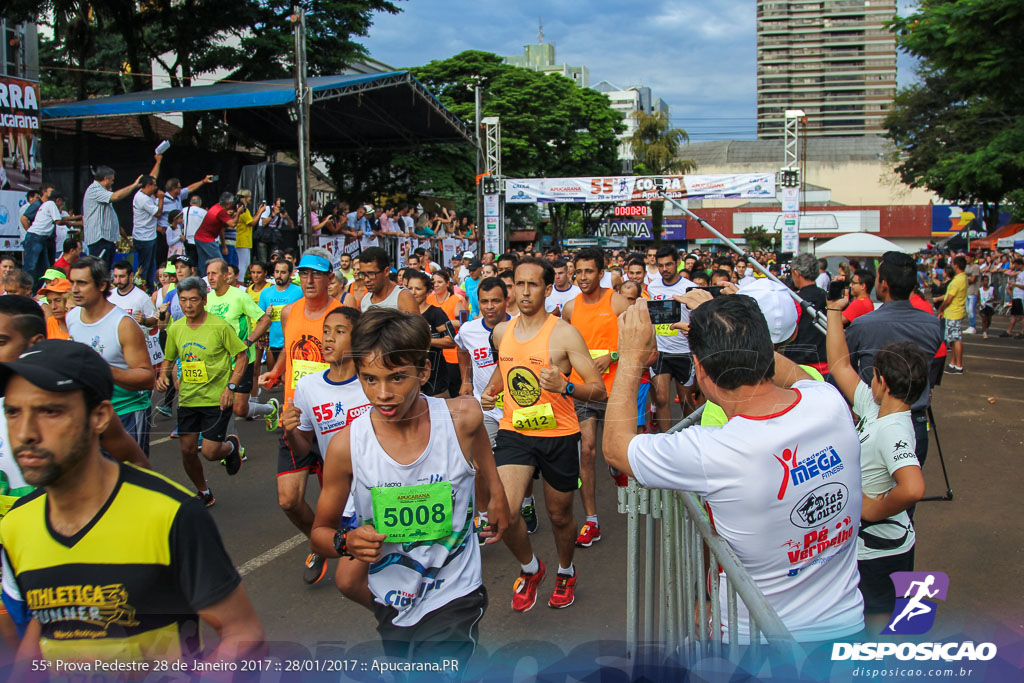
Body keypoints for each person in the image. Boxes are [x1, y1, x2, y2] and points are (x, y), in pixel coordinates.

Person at [604, 295, 865, 643]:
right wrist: (731, 328)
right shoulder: (828, 402)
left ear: (699, 370)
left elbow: (615, 448)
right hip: (847, 626)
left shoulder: (714, 450)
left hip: (756, 644)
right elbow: (796, 375)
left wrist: (631, 356)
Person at [0, 340, 264, 667]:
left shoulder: (170, 514)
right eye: (12, 411)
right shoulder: (15, 525)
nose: (25, 432)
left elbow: (242, 633)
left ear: (99, 417)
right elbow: (49, 622)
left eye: (50, 411)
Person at [309, 309, 508, 669]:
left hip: (455, 591)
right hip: (392, 599)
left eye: (397, 378)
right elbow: (319, 534)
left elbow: (486, 465)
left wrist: (496, 502)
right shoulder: (347, 446)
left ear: (424, 371)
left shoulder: (462, 417)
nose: (383, 394)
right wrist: (345, 542)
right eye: (369, 379)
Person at [481, 257, 606, 611]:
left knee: (560, 516)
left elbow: (598, 391)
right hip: (514, 431)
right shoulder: (502, 332)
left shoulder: (564, 333)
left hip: (559, 434)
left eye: (532, 284)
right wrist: (491, 391)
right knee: (503, 510)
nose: (523, 291)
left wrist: (566, 386)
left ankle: (565, 570)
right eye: (518, 284)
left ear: (548, 289)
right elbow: (504, 369)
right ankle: (531, 568)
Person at [823, 287, 927, 622]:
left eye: (873, 377)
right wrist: (834, 311)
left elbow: (913, 488)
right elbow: (840, 367)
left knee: (876, 625)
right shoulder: (876, 407)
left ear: (881, 381)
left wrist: (872, 510)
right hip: (871, 547)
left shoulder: (893, 428)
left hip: (882, 550)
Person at [258, 248, 343, 585]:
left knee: (340, 497)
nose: (309, 280)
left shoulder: (341, 315)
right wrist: (277, 372)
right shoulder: (289, 311)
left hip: (333, 417)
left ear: (329, 279)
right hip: (295, 416)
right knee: (289, 499)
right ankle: (321, 542)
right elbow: (291, 352)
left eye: (316, 274)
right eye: (304, 273)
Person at [846, 252, 943, 468]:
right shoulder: (932, 325)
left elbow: (846, 367)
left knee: (870, 492)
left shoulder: (862, 325)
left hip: (874, 417)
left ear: (884, 285)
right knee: (905, 494)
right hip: (915, 420)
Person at [559, 248, 628, 547]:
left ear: (602, 273)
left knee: (614, 450)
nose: (583, 277)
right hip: (583, 390)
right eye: (579, 271)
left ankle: (616, 466)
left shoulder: (617, 302)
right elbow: (562, 347)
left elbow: (642, 339)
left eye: (589, 271)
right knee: (586, 452)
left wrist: (612, 356)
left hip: (615, 390)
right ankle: (592, 521)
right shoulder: (570, 308)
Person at [158, 277, 247, 505]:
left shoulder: (219, 326)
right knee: (187, 450)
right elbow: (169, 358)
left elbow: (241, 356)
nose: (188, 305)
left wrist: (231, 386)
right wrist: (163, 375)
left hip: (216, 399)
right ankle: (204, 492)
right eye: (184, 300)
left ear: (204, 300)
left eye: (194, 300)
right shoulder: (176, 328)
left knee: (209, 452)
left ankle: (230, 447)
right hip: (188, 399)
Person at [66, 256, 156, 455]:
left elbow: (147, 378)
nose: (74, 289)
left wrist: (102, 370)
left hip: (126, 412)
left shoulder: (123, 324)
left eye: (81, 283)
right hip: (90, 413)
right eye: (72, 282)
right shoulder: (72, 317)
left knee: (132, 478)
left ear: (101, 285)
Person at [204, 259, 274, 422]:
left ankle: (270, 408)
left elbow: (265, 320)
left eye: (214, 273)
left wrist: (248, 341)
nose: (210, 278)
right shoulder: (207, 300)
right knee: (220, 405)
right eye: (208, 274)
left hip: (242, 360)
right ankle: (230, 444)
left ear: (226, 275)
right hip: (218, 361)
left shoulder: (240, 297)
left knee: (240, 409)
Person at [647, 246, 698, 430]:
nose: (664, 269)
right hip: (661, 350)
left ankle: (691, 435)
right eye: (660, 265)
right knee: (661, 398)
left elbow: (699, 318)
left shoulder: (690, 288)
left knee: (685, 400)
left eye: (668, 264)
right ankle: (665, 439)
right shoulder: (652, 287)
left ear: (677, 263)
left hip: (684, 351)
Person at [82, 158, 160, 269]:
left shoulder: (103, 191)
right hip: (99, 240)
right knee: (99, 271)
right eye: (112, 180)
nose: (113, 183)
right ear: (106, 179)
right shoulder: (94, 190)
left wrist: (115, 236)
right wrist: (134, 185)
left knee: (106, 272)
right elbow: (116, 196)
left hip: (107, 239)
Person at [258, 258, 303, 411]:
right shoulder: (266, 293)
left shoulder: (299, 292)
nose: (279, 275)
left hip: (293, 343)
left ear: (290, 274)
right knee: (279, 380)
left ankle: (290, 412)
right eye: (277, 272)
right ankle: (285, 411)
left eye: (283, 272)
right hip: (274, 342)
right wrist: (266, 314)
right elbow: (260, 319)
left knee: (289, 379)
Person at [405, 270, 456, 397]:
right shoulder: (403, 314)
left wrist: (424, 341)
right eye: (409, 288)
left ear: (428, 291)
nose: (413, 292)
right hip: (410, 372)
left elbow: (451, 341)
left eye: (418, 288)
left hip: (435, 374)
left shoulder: (436, 313)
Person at [108, 261, 163, 368]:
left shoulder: (142, 297)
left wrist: (144, 321)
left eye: (122, 276)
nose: (118, 280)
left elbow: (154, 320)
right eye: (115, 276)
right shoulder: (109, 296)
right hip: (114, 348)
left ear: (131, 276)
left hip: (136, 349)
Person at [22, 192, 78, 290]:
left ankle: (37, 290)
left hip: (41, 238)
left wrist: (75, 218)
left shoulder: (46, 205)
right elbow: (58, 221)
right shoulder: (51, 204)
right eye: (62, 202)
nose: (62, 204)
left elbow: (59, 219)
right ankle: (25, 290)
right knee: (31, 267)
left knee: (43, 268)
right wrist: (74, 222)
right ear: (58, 200)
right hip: (36, 237)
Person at [784, 253, 829, 376]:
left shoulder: (796, 300)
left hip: (801, 366)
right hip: (826, 364)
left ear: (797, 273)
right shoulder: (827, 297)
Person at [429, 270, 468, 398]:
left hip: (453, 352)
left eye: (440, 282)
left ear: (447, 283)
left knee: (454, 391)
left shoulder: (456, 299)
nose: (436, 285)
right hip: (435, 353)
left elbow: (464, 323)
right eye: (434, 282)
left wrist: (446, 322)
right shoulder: (428, 299)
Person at [131, 175, 165, 291]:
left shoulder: (147, 196)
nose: (156, 188)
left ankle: (150, 289)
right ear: (149, 185)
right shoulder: (142, 199)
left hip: (150, 236)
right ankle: (141, 289)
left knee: (151, 265)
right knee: (144, 267)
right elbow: (158, 213)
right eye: (154, 185)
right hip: (143, 238)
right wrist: (161, 198)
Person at [358, 247, 417, 313]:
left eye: (371, 274)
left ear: (386, 271)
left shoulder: (403, 298)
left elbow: (415, 322)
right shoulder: (364, 300)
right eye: (363, 274)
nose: (366, 280)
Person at [937, 255, 968, 374]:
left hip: (953, 312)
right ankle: (954, 363)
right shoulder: (962, 277)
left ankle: (958, 365)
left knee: (956, 339)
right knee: (954, 339)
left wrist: (941, 308)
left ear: (956, 265)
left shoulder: (957, 280)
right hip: (956, 311)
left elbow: (949, 299)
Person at [195, 192, 238, 274]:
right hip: (206, 239)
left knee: (203, 263)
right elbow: (233, 224)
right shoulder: (221, 211)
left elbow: (222, 227)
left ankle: (203, 280)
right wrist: (238, 212)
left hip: (199, 237)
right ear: (229, 204)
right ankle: (223, 280)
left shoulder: (217, 206)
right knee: (220, 262)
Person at [182, 196, 206, 266]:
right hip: (200, 241)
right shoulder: (204, 212)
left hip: (187, 241)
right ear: (200, 203)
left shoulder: (184, 210)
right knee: (200, 263)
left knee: (189, 263)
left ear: (190, 203)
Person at [1003, 258, 1024, 338]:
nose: (1015, 267)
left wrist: (1014, 284)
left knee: (1022, 315)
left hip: (1021, 297)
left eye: (1015, 265)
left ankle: (1023, 332)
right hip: (1016, 297)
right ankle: (1009, 331)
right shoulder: (1020, 273)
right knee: (1013, 315)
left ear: (1020, 264)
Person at [965, 256, 982, 334]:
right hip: (967, 291)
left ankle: (973, 326)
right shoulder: (967, 267)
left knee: (972, 310)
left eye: (968, 257)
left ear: (972, 258)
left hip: (973, 291)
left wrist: (966, 278)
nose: (967, 259)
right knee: (968, 310)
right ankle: (970, 325)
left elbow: (973, 279)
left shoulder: (976, 267)